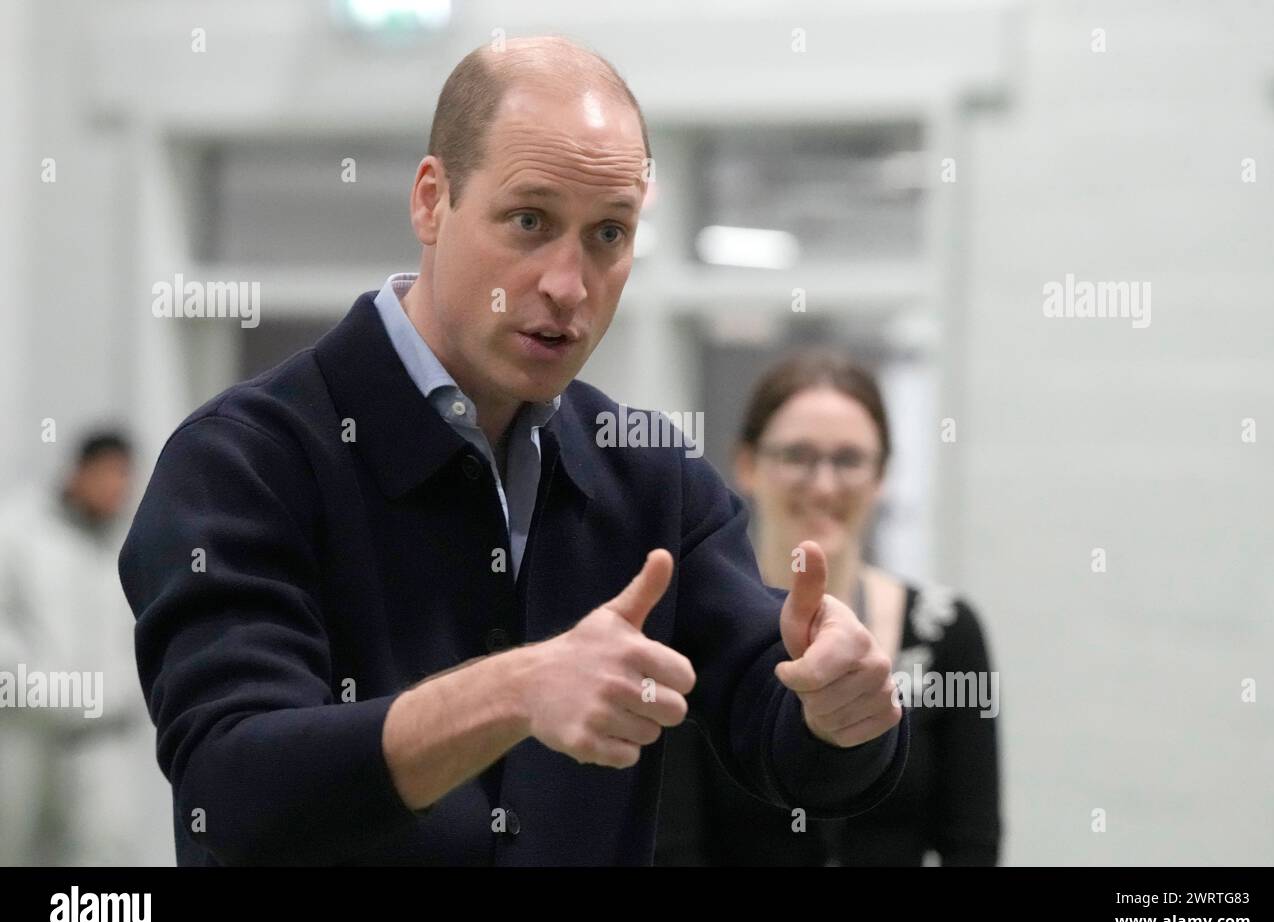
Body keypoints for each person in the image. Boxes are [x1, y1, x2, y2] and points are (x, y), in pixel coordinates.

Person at [117, 36, 909, 866]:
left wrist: (842, 709)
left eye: (609, 234)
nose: (568, 285)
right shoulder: (244, 463)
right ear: (431, 200)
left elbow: (776, 724)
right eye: (530, 221)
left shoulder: (650, 477)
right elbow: (233, 789)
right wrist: (517, 690)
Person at [656, 351, 1001, 866]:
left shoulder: (946, 630)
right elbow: (673, 849)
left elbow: (972, 844)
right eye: (797, 455)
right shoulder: (692, 630)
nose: (823, 484)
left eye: (848, 459)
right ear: (747, 464)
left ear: (882, 474)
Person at [0, 430, 173, 865]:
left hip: (101, 744)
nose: (116, 489)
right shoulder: (17, 531)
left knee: (101, 857)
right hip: (22, 733)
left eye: (124, 479)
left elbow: (145, 638)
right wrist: (47, 695)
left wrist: (106, 699)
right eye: (108, 475)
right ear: (80, 470)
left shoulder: (130, 547)